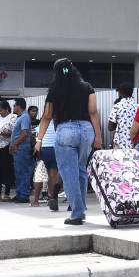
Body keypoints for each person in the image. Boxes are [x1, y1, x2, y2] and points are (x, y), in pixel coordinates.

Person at [36, 58, 102, 225]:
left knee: (68, 173)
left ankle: (77, 213)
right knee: (80, 170)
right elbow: (93, 112)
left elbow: (46, 116)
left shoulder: (54, 89)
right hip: (87, 131)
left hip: (65, 131)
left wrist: (39, 140)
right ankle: (80, 209)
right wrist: (98, 137)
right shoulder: (87, 87)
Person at [10, 98, 34, 204]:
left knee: (23, 171)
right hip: (18, 148)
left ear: (19, 106)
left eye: (14, 105)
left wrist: (15, 144)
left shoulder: (24, 117)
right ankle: (20, 193)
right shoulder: (20, 117)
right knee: (18, 171)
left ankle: (24, 195)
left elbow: (24, 133)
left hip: (22, 148)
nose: (13, 107)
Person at [33, 117, 60, 209]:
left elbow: (37, 139)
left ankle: (36, 201)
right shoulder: (58, 123)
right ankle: (50, 198)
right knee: (52, 176)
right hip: (55, 150)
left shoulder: (42, 124)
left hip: (44, 150)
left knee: (39, 175)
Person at [0, 100, 17, 201]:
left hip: (7, 146)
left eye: (1, 110)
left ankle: (7, 193)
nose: (0, 112)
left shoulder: (13, 117)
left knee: (7, 170)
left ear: (7, 109)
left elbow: (10, 132)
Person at [108, 82, 136, 150]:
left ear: (120, 92)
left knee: (118, 160)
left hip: (120, 143)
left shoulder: (117, 106)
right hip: (134, 143)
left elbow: (110, 127)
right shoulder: (138, 106)